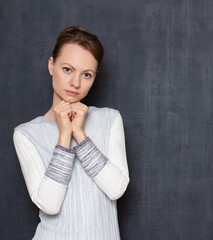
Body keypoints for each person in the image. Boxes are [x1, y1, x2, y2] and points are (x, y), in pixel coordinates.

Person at [13, 26, 129, 240]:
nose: (76, 83)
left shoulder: (110, 119)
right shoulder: (26, 134)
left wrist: (80, 134)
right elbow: (50, 204)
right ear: (51, 65)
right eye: (67, 69)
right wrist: (64, 136)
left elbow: (116, 189)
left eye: (86, 74)